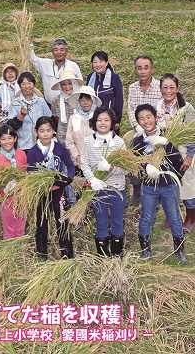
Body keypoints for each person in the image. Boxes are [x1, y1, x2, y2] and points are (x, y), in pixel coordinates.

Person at [133, 104, 187, 264]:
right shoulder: (137, 142)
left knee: (175, 218)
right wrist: (145, 166)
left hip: (168, 185)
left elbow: (179, 162)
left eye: (148, 116)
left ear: (156, 117)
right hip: (149, 187)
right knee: (146, 217)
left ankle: (179, 252)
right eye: (141, 118)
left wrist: (167, 143)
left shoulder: (168, 135)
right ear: (138, 122)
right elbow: (134, 164)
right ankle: (145, 251)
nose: (146, 121)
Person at [80, 106, 127, 258]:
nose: (103, 123)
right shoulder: (87, 141)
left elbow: (125, 169)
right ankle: (102, 254)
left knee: (117, 221)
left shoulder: (119, 143)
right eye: (99, 120)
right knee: (101, 221)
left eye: (106, 120)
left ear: (112, 122)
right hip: (97, 190)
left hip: (117, 188)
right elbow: (84, 163)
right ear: (94, 122)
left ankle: (117, 253)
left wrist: (110, 167)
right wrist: (92, 179)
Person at [27, 116, 75, 259]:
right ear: (36, 132)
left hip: (59, 191)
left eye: (48, 130)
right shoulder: (33, 152)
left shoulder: (59, 148)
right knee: (42, 222)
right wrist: (39, 181)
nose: (45, 134)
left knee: (61, 221)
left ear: (53, 131)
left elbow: (71, 166)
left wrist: (68, 179)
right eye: (42, 131)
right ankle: (42, 253)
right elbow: (30, 172)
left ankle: (67, 252)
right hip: (42, 193)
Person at [155, 74, 195, 233]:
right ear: (160, 90)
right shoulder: (156, 106)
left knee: (188, 186)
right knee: (168, 186)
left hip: (183, 152)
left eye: (172, 87)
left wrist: (190, 155)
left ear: (177, 89)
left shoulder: (186, 108)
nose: (168, 91)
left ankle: (190, 218)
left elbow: (193, 133)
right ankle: (171, 216)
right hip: (164, 154)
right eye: (165, 87)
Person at [127, 56, 162, 206]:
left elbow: (161, 111)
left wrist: (151, 129)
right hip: (138, 128)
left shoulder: (160, 86)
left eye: (146, 67)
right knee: (128, 144)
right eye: (139, 68)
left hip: (156, 129)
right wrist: (139, 128)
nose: (143, 71)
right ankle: (136, 188)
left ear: (152, 69)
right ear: (136, 70)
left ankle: (158, 188)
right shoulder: (133, 87)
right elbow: (130, 110)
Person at [0, 125, 27, 240]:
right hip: (6, 200)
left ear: (15, 139)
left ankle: (20, 252)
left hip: (21, 197)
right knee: (9, 229)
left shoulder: (21, 154)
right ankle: (9, 252)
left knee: (20, 227)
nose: (7, 141)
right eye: (3, 139)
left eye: (10, 138)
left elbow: (25, 173)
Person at [7, 72, 52, 152]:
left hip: (41, 145)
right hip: (23, 145)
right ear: (20, 86)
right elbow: (10, 127)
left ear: (34, 85)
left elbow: (49, 120)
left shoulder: (41, 101)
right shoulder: (15, 103)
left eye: (29, 83)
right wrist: (21, 116)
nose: (27, 86)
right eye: (23, 84)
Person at [30, 38, 83, 103]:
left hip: (70, 105)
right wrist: (29, 44)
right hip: (50, 105)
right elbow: (32, 59)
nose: (59, 52)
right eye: (56, 50)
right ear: (52, 52)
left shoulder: (73, 66)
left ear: (66, 51)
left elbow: (80, 86)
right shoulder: (45, 64)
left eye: (62, 50)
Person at [86, 51, 124, 133]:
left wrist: (117, 120)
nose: (98, 64)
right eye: (95, 62)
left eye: (101, 61)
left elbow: (119, 99)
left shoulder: (114, 78)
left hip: (110, 118)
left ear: (106, 63)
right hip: (94, 118)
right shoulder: (90, 78)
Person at [66, 86, 102, 170]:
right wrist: (77, 156)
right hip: (79, 161)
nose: (85, 103)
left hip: (97, 160)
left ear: (93, 101)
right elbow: (69, 141)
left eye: (88, 100)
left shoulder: (99, 118)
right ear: (78, 102)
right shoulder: (73, 118)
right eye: (82, 100)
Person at [51, 70, 84, 144]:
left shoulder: (81, 98)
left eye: (70, 83)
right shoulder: (55, 101)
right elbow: (55, 116)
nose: (67, 87)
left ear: (74, 84)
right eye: (63, 84)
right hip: (63, 137)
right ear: (60, 86)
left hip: (80, 136)